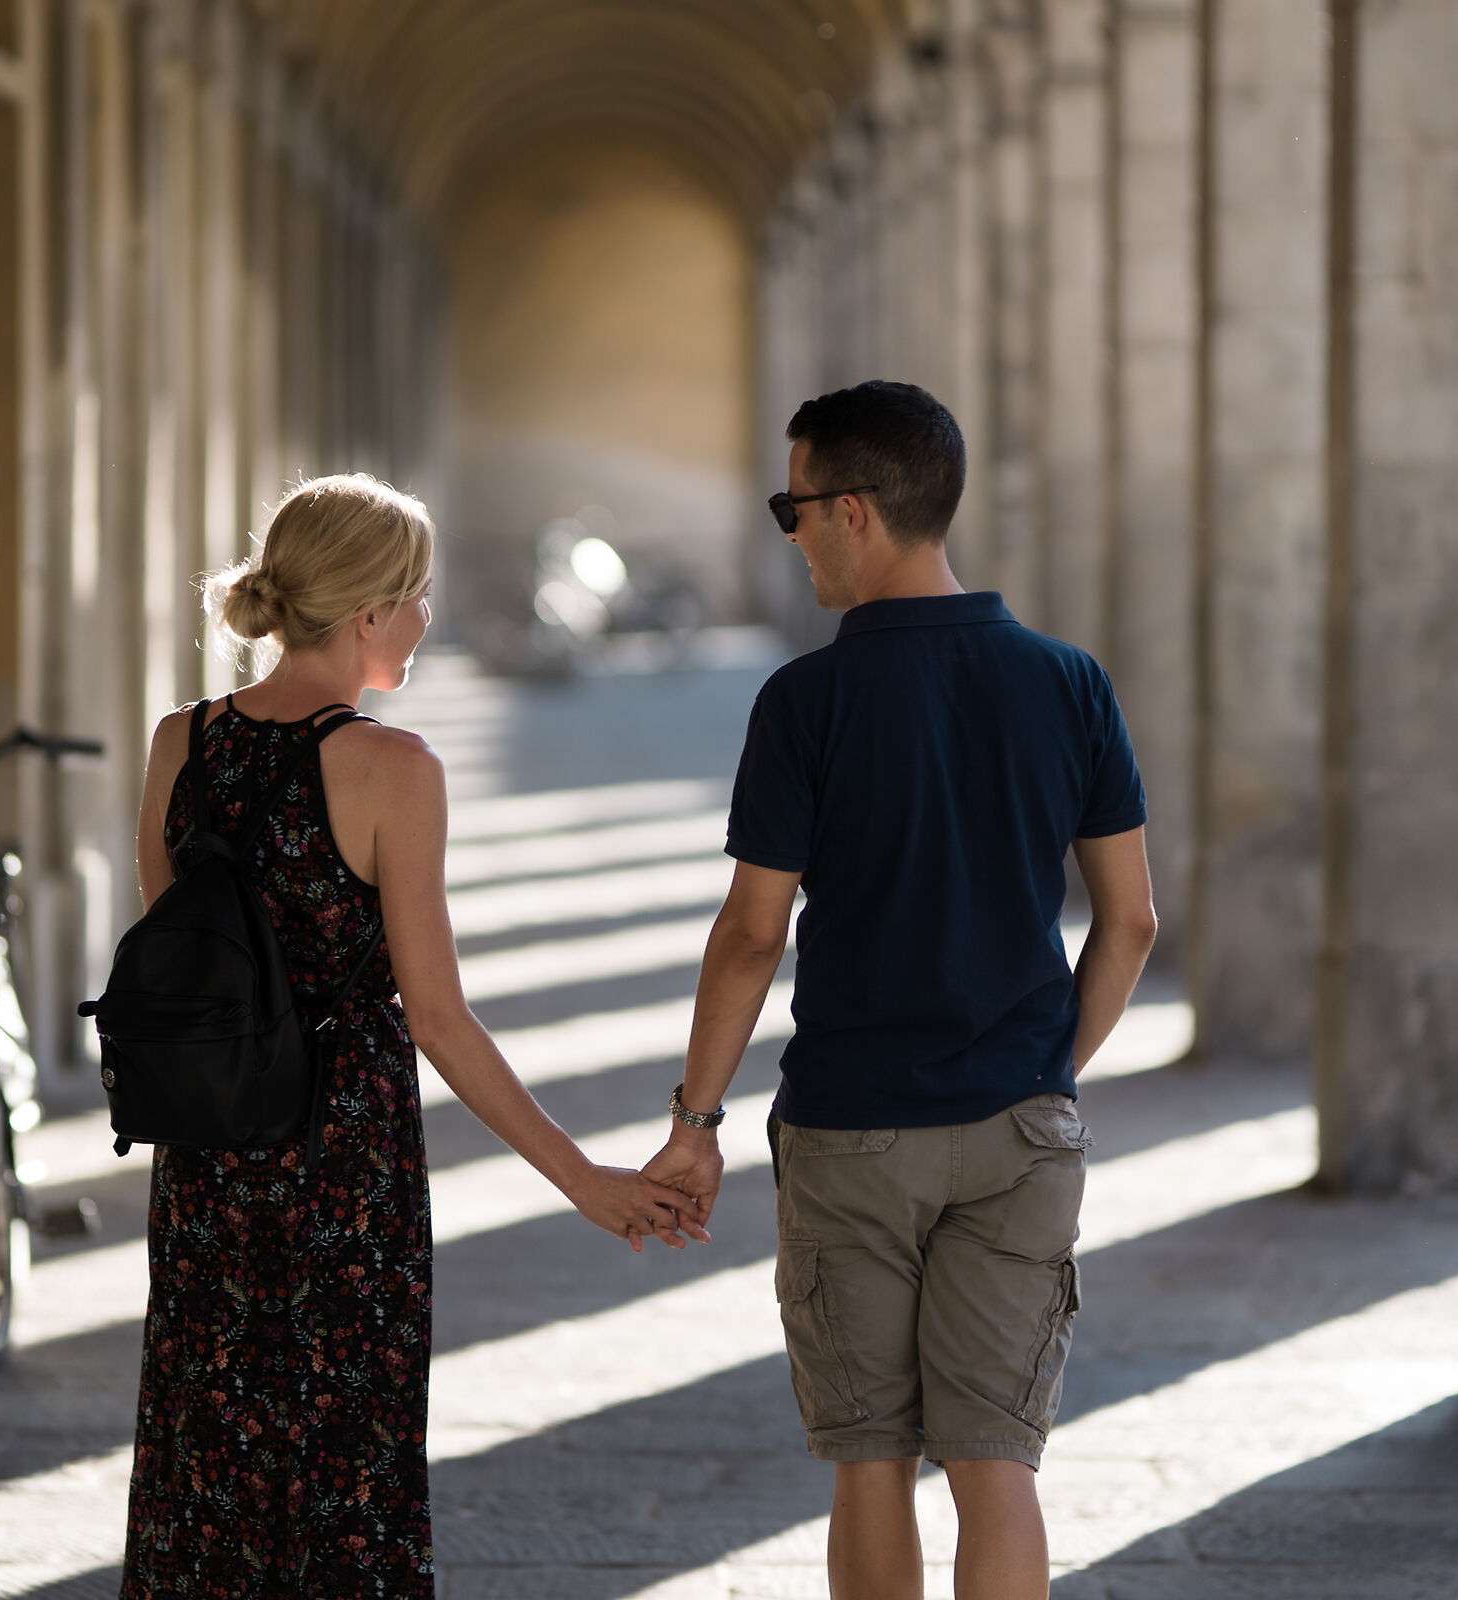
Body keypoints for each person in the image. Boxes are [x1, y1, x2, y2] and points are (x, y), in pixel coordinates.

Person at [119, 473, 705, 1599]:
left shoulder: (178, 743)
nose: (429, 620)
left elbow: (178, 962)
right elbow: (436, 1016)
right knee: (348, 1460)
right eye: (420, 596)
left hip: (212, 1159)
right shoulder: (396, 770)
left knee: (210, 1450)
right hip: (348, 1161)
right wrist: (582, 1176)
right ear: (370, 612)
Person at [643, 382, 1159, 1600]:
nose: (790, 530)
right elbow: (1130, 921)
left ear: (855, 512)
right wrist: (1045, 1070)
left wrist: (696, 1120)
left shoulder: (806, 701)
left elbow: (750, 937)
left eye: (795, 504)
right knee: (998, 1465)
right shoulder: (1070, 680)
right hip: (1020, 1127)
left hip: (852, 1128)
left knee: (869, 1462)